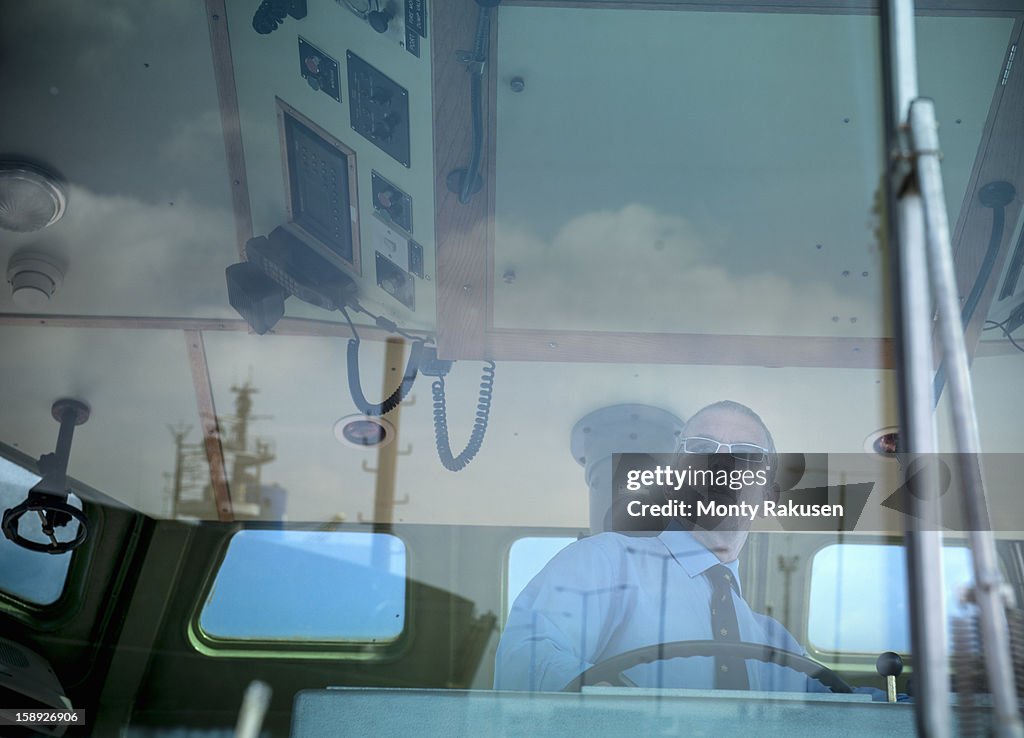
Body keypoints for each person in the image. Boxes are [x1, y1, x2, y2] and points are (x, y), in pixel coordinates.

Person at [494, 400, 828, 693]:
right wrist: (618, 709)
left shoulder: (777, 644)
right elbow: (527, 660)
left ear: (768, 496)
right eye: (702, 449)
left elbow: (847, 708)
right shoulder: (602, 562)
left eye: (748, 454)